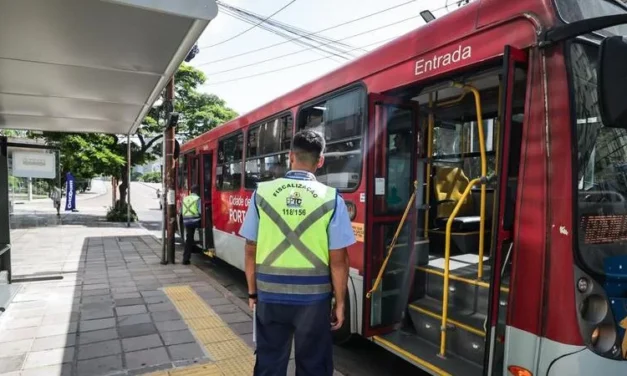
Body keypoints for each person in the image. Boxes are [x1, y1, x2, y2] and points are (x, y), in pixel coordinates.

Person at [239, 130, 356, 376]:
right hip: (314, 301)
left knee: (269, 362)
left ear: (290, 156)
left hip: (270, 296)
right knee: (314, 365)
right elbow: (339, 261)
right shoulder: (332, 199)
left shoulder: (261, 193)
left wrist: (252, 292)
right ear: (320, 160)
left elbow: (250, 249)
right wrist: (340, 303)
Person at [181, 185, 201, 265]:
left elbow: (182, 211)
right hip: (196, 221)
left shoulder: (185, 199)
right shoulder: (198, 199)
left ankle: (185, 258)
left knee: (189, 239)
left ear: (191, 191)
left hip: (186, 221)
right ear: (197, 191)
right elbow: (200, 212)